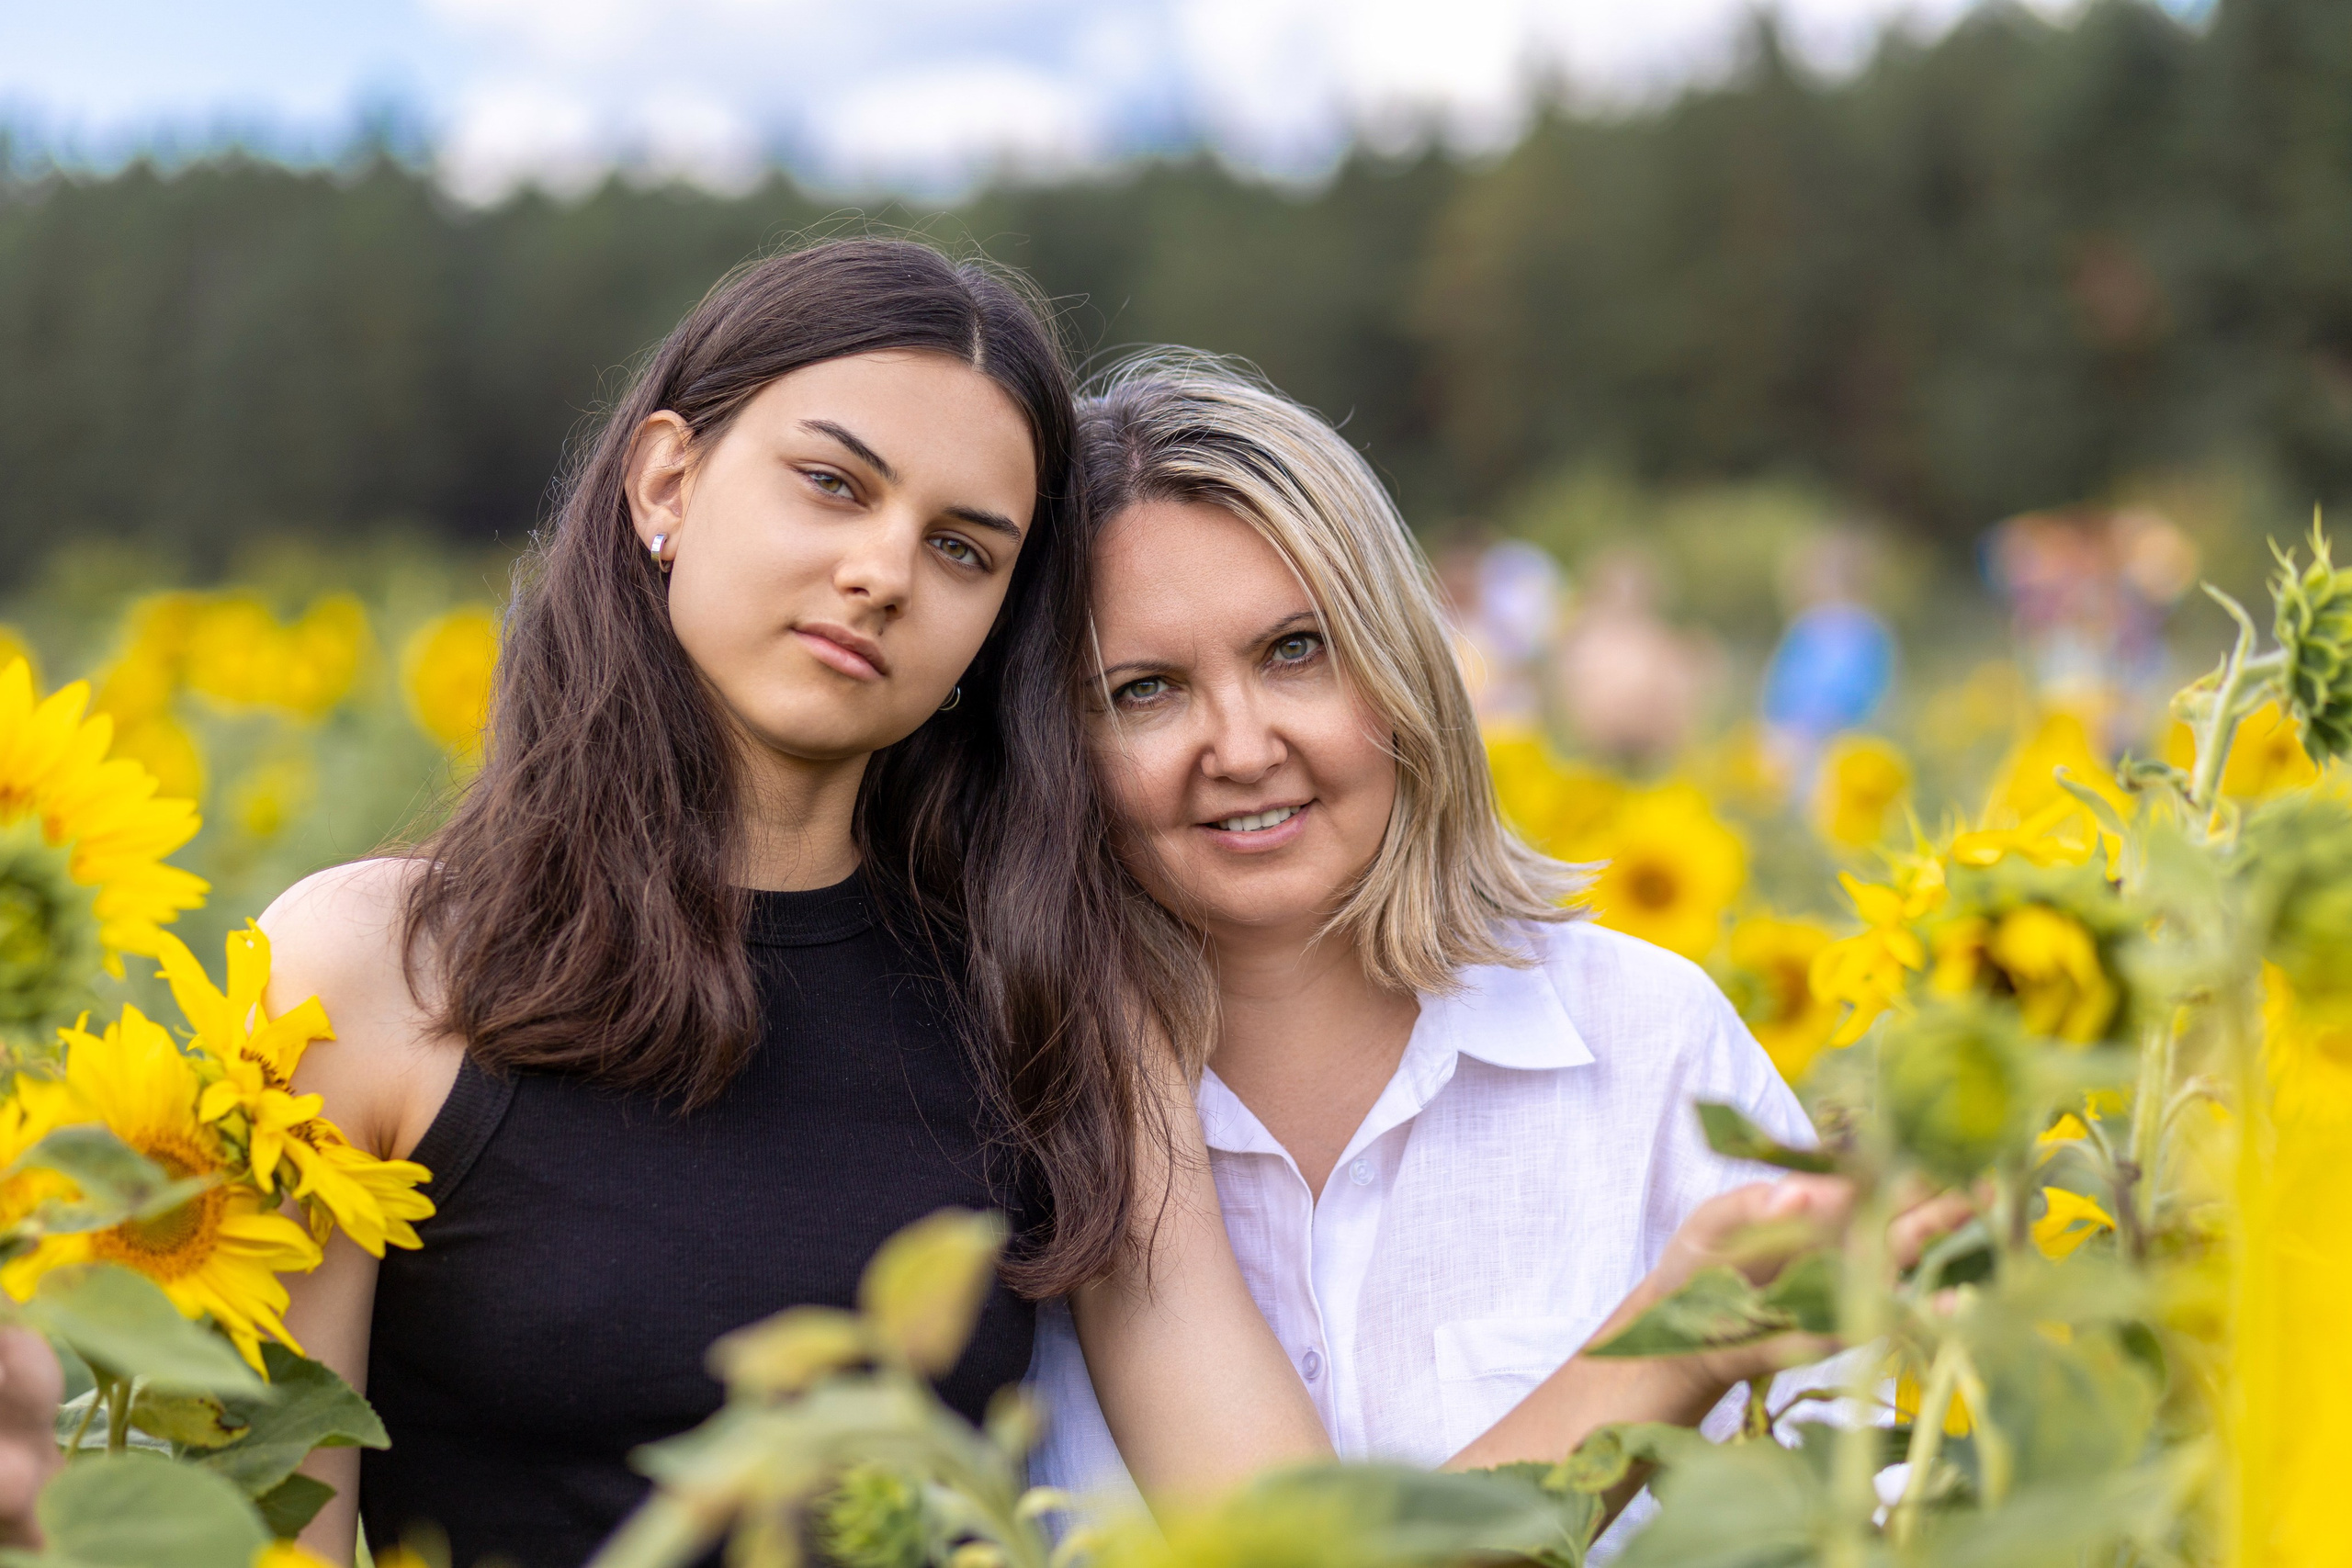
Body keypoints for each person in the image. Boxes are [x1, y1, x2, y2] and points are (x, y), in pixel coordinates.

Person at [1032, 356, 1962, 1550]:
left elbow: (1881, 1509)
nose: (1243, 743)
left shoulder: (1642, 1042)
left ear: (1404, 661)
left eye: (1296, 651)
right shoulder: (1005, 1110)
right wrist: (1670, 1352)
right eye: (1144, 690)